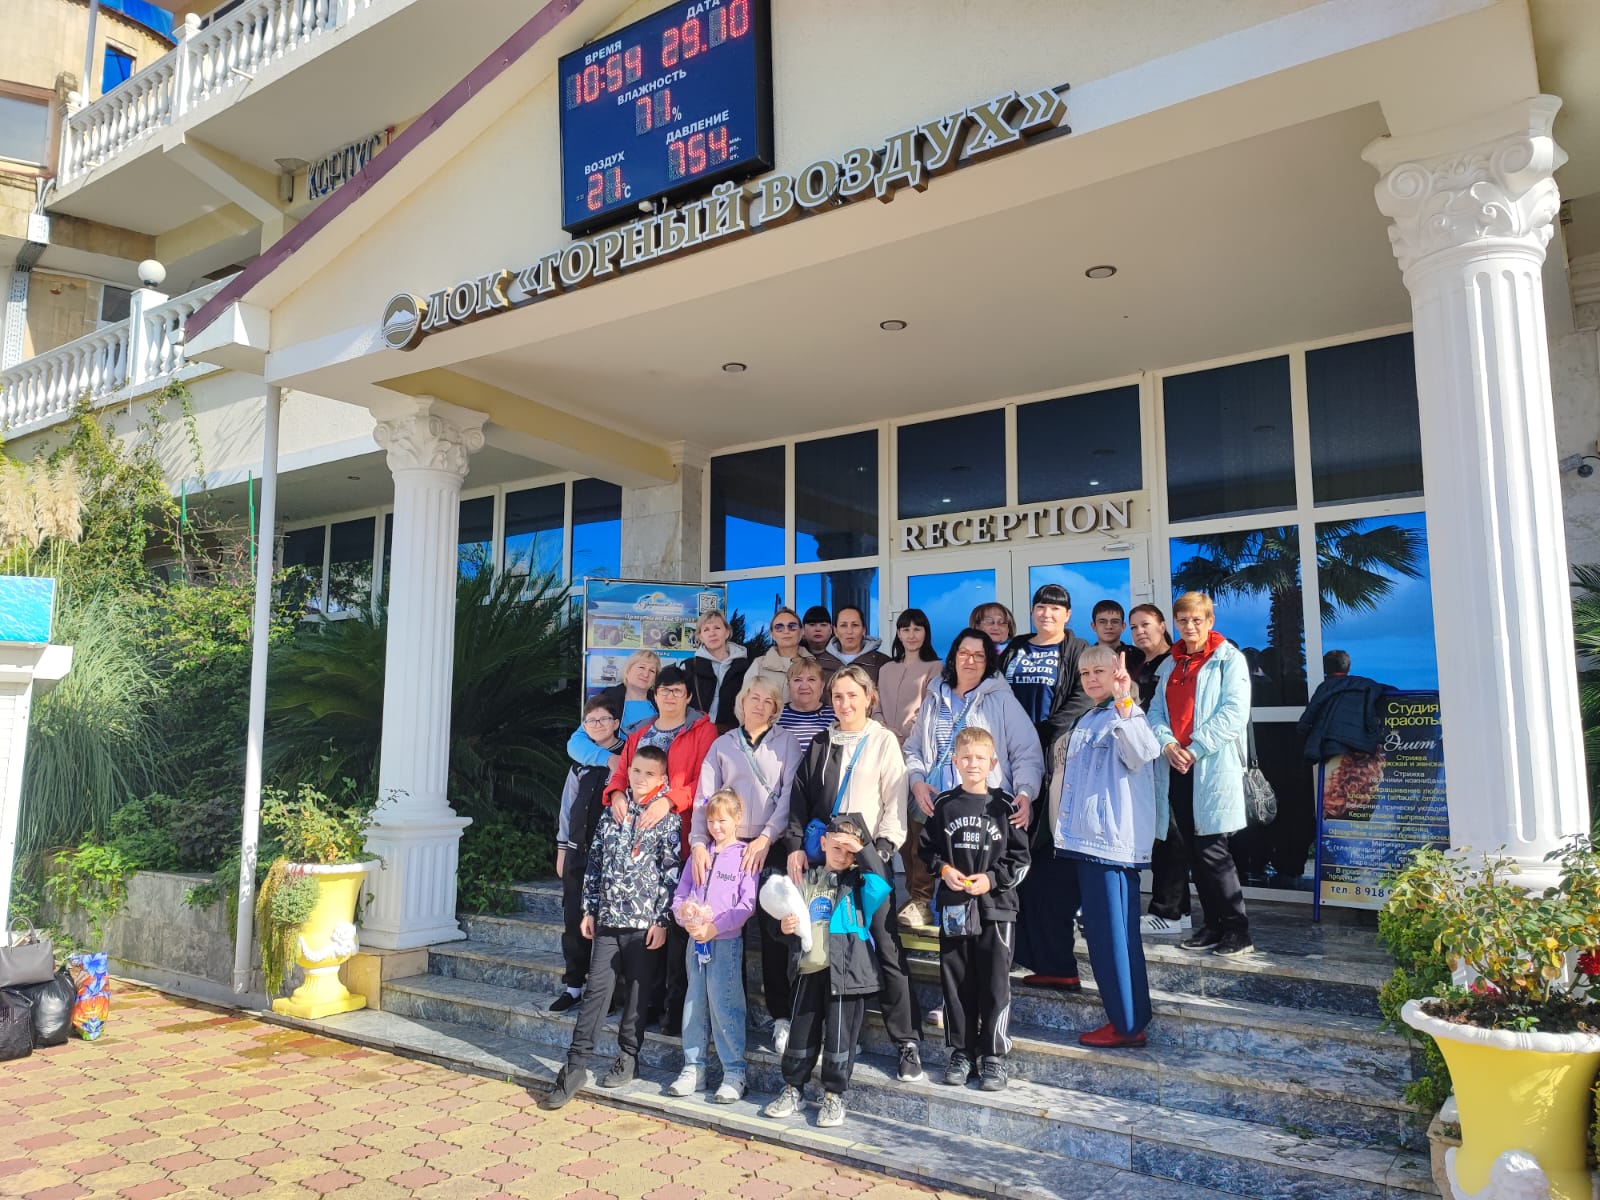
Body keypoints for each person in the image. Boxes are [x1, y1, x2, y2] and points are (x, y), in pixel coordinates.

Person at [785, 665, 924, 1081]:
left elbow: (894, 803)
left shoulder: (883, 741)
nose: (844, 704)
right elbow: (800, 799)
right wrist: (796, 846)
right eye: (838, 696)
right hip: (826, 865)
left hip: (867, 862)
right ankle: (839, 1038)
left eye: (852, 695)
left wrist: (877, 852)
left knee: (886, 947)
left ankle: (907, 1042)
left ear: (869, 697)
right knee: (824, 949)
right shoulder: (821, 741)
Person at [542, 746, 681, 1110]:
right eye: (636, 771)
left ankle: (628, 1057)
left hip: (643, 925)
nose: (640, 778)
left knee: (637, 994)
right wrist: (589, 909)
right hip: (607, 921)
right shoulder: (611, 813)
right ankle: (575, 1066)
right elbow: (595, 864)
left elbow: (671, 875)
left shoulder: (668, 821)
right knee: (596, 993)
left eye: (649, 774)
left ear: (662, 779)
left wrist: (661, 920)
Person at [1053, 646, 1163, 1048]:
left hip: (1111, 848)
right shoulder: (1088, 717)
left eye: (1099, 671)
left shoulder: (1127, 712)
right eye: (1085, 674)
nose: (1091, 679)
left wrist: (1124, 699)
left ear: (1119, 674)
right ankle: (1127, 1018)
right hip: (1086, 844)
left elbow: (1143, 752)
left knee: (1116, 940)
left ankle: (1128, 1024)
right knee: (1103, 939)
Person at [903, 629, 1042, 931]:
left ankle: (983, 924)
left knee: (976, 861)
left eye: (979, 655)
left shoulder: (1001, 700)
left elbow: (1026, 751)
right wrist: (916, 780)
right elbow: (913, 748)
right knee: (924, 850)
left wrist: (1025, 791)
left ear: (988, 661)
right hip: (938, 796)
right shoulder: (934, 697)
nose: (970, 660)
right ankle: (921, 902)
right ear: (953, 656)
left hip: (982, 800)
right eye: (964, 653)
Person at [605, 665, 718, 1033]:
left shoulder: (703, 730)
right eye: (664, 690)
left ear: (688, 696)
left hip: (681, 838)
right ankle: (645, 1005)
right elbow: (622, 772)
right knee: (643, 927)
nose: (670, 696)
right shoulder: (640, 732)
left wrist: (670, 801)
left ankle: (674, 1010)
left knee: (676, 926)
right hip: (636, 844)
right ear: (654, 695)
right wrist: (616, 793)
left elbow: (705, 781)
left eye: (677, 690)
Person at [762, 813, 891, 1130]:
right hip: (807, 971)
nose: (843, 855)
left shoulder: (859, 885)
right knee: (800, 1036)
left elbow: (881, 883)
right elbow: (780, 914)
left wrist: (863, 850)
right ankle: (793, 1089)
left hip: (845, 976)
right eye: (837, 847)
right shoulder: (806, 880)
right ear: (822, 843)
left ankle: (834, 1096)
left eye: (849, 851)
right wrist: (782, 928)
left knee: (839, 1039)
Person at [920, 727, 1030, 1091]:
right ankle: (961, 1052)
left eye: (980, 758)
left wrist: (992, 880)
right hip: (955, 908)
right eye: (965, 757)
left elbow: (1021, 860)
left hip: (997, 910)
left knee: (994, 983)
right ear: (954, 761)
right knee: (957, 981)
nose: (973, 764)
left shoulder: (1006, 807)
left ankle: (993, 1056)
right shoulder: (944, 804)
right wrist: (944, 870)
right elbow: (927, 849)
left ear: (993, 763)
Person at [692, 676, 801, 1041]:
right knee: (726, 928)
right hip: (729, 847)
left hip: (772, 845)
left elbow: (790, 795)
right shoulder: (722, 744)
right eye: (754, 698)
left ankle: (781, 1016)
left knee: (774, 932)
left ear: (776, 709)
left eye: (768, 701)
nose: (760, 705)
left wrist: (767, 837)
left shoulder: (787, 743)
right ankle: (725, 1013)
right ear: (741, 702)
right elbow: (705, 798)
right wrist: (698, 842)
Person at [1148, 591, 1254, 957]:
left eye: (1197, 620)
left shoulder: (1228, 659)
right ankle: (1212, 925)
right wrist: (1167, 744)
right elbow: (1156, 712)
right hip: (1177, 766)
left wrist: (1194, 748)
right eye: (1183, 620)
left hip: (1209, 766)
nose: (1189, 626)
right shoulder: (1171, 664)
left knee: (1213, 850)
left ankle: (1238, 930)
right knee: (1193, 851)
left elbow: (1234, 713)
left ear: (1210, 621)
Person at [1002, 584, 1094, 989]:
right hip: (1011, 766)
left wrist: (1041, 734)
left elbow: (1082, 699)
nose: (1047, 614)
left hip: (1055, 767)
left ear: (1067, 615)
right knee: (1011, 860)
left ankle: (1056, 961)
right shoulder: (1015, 648)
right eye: (1041, 607)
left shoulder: (1078, 650)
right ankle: (1018, 952)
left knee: (1049, 868)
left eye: (1056, 609)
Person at [669, 788, 758, 1104]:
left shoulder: (744, 856)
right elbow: (680, 895)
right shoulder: (699, 854)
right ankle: (694, 1068)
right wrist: (685, 916)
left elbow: (746, 905)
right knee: (694, 1005)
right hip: (695, 943)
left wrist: (715, 927)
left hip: (726, 943)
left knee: (725, 1005)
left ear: (737, 819)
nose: (716, 827)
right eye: (711, 821)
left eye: (722, 821)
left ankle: (734, 1072)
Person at [552, 696, 624, 1013]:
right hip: (577, 853)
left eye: (604, 719)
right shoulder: (580, 762)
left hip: (610, 857)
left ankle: (605, 992)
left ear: (616, 723)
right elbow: (567, 808)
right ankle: (573, 987)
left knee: (607, 926)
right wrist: (561, 848)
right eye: (591, 721)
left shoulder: (625, 758)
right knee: (574, 920)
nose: (597, 725)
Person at [877, 609, 943, 929]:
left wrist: (903, 734)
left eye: (918, 629)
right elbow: (875, 707)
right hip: (886, 756)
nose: (911, 635)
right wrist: (884, 730)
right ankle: (907, 896)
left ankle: (922, 898)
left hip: (919, 758)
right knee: (897, 829)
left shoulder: (935, 667)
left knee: (919, 831)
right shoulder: (886, 669)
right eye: (905, 629)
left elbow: (931, 711)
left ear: (926, 632)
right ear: (898, 633)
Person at [1128, 604, 1190, 937]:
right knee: (1161, 833)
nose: (1140, 632)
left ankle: (1168, 911)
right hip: (1146, 759)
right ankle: (1181, 911)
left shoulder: (1175, 662)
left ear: (1163, 625)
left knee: (1170, 834)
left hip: (1170, 756)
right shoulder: (1139, 663)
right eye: (1134, 627)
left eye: (1146, 625)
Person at [568, 649, 657, 767]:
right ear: (627, 671)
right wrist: (609, 759)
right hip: (611, 772)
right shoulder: (608, 700)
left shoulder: (661, 705)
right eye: (641, 667)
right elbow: (575, 743)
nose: (646, 674)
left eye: (652, 671)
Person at [1297, 650, 1390, 762]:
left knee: (1334, 772)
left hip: (1331, 746)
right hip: (1362, 744)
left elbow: (1309, 716)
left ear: (1325, 668)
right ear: (1348, 667)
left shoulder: (1325, 687)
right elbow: (1391, 691)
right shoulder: (1365, 685)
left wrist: (1304, 733)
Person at [687, 610, 752, 734]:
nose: (712, 633)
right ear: (700, 636)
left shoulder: (746, 666)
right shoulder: (689, 667)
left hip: (734, 733)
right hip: (697, 732)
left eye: (717, 628)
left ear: (727, 633)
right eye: (706, 629)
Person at [746, 607, 816, 703]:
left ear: (801, 631)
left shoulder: (813, 665)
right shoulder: (759, 665)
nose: (786, 631)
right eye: (779, 627)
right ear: (772, 634)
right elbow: (746, 701)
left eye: (792, 626)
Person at [813, 605, 891, 686]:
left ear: (864, 630)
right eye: (843, 625)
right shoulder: (819, 663)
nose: (849, 631)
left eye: (855, 625)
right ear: (835, 631)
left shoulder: (882, 662)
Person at [776, 658, 835, 755]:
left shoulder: (835, 717)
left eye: (811, 679)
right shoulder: (776, 716)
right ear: (788, 686)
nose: (804, 686)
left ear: (822, 685)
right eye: (797, 680)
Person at [1091, 600, 1141, 666]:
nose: (1109, 626)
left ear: (1123, 626)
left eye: (1115, 622)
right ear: (1093, 626)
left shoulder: (1138, 656)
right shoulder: (1085, 657)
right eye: (1102, 622)